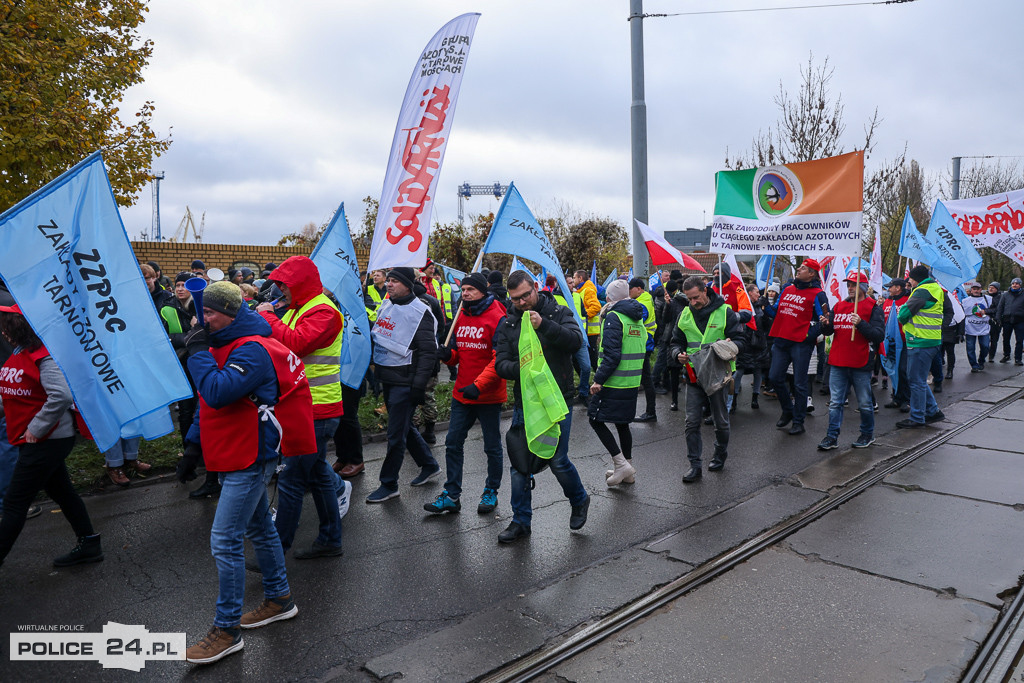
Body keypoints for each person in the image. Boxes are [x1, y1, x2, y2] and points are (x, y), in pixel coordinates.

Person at [182, 282, 314, 665]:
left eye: (210, 313)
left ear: (232, 313)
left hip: (249, 456)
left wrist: (196, 352)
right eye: (201, 311)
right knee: (260, 528)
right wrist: (193, 445)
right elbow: (209, 405)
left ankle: (227, 630)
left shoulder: (252, 349)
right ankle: (279, 598)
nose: (202, 319)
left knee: (225, 540)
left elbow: (218, 391)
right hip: (230, 451)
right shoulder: (224, 343)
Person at [256, 256, 350, 560]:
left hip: (317, 408)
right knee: (319, 476)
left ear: (298, 284)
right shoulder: (301, 309)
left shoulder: (323, 311)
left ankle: (275, 551)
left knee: (292, 479)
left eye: (284, 285)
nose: (280, 291)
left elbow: (294, 344)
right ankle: (330, 539)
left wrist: (268, 317)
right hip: (303, 406)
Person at [0, 303, 102, 570]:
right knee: (63, 492)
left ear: (17, 327)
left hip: (47, 440)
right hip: (33, 438)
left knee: (13, 503)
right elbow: (13, 392)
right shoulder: (20, 352)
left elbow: (61, 396)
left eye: (4, 326)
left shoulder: (45, 356)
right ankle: (89, 544)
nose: (2, 332)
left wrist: (37, 428)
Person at [494, 270, 589, 543]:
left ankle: (579, 499)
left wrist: (543, 326)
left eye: (525, 295)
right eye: (515, 299)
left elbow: (575, 341)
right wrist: (524, 368)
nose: (522, 303)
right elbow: (501, 364)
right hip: (527, 404)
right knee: (520, 465)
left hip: (557, 400)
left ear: (535, 288)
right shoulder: (509, 323)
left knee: (557, 460)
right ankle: (520, 521)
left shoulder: (558, 310)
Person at [424, 273, 507, 515]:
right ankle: (451, 495)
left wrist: (479, 385)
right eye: (464, 289)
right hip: (462, 394)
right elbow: (459, 353)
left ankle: (491, 491)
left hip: (488, 395)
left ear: (483, 291)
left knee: (491, 446)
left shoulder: (497, 317)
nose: (465, 293)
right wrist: (447, 355)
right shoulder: (461, 315)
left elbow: (498, 360)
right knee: (452, 443)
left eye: (471, 289)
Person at [365, 267, 441, 503]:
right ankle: (429, 465)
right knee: (404, 427)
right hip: (388, 378)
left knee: (395, 435)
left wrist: (418, 386)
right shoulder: (387, 305)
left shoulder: (421, 312)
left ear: (408, 284)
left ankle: (389, 484)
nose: (389, 284)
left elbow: (429, 352)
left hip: (406, 382)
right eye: (388, 280)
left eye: (395, 281)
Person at [669, 276, 747, 483]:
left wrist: (730, 347)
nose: (693, 302)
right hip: (694, 376)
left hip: (719, 375)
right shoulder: (684, 314)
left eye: (696, 297)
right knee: (691, 422)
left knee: (720, 422)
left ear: (705, 290)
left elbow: (741, 339)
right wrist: (678, 354)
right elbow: (675, 342)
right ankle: (695, 466)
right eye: (689, 299)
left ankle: (720, 454)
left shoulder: (725, 312)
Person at [816, 273, 885, 450]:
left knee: (864, 403)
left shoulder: (872, 307)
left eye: (854, 285)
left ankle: (867, 434)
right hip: (838, 361)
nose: (850, 288)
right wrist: (825, 324)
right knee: (835, 402)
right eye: (848, 285)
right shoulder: (839, 305)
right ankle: (831, 437)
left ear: (863, 286)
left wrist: (861, 323)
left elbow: (878, 335)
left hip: (860, 362)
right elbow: (831, 331)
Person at [588, 279, 644, 486]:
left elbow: (611, 355)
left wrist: (598, 380)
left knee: (594, 419)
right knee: (622, 424)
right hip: (631, 381)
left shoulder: (613, 317)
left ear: (609, 297)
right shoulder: (636, 317)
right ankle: (627, 471)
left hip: (614, 381)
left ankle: (621, 464)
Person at [766, 259, 829, 436]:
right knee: (775, 377)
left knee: (800, 384)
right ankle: (788, 410)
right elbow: (776, 312)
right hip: (781, 340)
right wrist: (764, 305)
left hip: (801, 344)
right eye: (799, 267)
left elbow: (824, 320)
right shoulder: (787, 289)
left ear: (812, 274)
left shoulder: (818, 294)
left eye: (802, 268)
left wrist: (808, 335)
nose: (798, 270)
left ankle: (798, 421)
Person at [895, 266, 946, 428]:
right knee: (919, 380)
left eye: (910, 278)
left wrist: (902, 315)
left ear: (915, 278)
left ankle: (917, 417)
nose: (908, 281)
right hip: (930, 340)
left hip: (920, 341)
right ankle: (932, 411)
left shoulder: (922, 290)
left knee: (916, 381)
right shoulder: (934, 288)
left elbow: (903, 314)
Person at [550, 275, 591, 404]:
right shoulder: (553, 298)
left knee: (586, 367)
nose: (572, 285)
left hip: (580, 338)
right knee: (566, 369)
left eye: (572, 282)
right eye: (569, 283)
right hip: (564, 339)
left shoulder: (577, 296)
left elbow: (583, 315)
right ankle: (567, 394)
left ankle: (583, 392)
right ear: (560, 284)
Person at [729, 283, 769, 412]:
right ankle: (733, 399)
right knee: (739, 371)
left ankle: (755, 398)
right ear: (749, 292)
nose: (759, 294)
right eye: (756, 292)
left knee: (758, 371)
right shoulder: (743, 305)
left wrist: (765, 309)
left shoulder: (761, 306)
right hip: (745, 343)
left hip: (758, 344)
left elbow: (766, 325)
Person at [628, 277, 659, 423]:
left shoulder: (643, 301)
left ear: (639, 289)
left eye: (631, 289)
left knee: (646, 379)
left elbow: (639, 316)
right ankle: (650, 411)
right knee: (645, 379)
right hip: (644, 343)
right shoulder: (644, 298)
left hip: (643, 343)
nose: (629, 292)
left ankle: (650, 412)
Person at [881, 279, 911, 412]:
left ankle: (906, 400)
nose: (888, 289)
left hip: (904, 341)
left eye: (890, 287)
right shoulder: (887, 301)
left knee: (902, 370)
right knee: (893, 368)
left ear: (898, 288)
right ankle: (896, 398)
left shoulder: (908, 300)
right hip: (890, 341)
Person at [572, 269, 603, 373]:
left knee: (593, 358)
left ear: (580, 278)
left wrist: (583, 316)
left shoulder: (588, 290)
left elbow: (596, 306)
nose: (573, 280)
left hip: (591, 331)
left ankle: (600, 379)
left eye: (574, 277)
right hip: (585, 330)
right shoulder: (580, 290)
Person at [962, 281, 992, 372]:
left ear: (981, 290)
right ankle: (974, 365)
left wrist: (986, 311)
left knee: (985, 346)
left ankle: (981, 360)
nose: (976, 291)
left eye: (977, 289)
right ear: (971, 290)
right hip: (970, 328)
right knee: (970, 348)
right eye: (974, 289)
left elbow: (995, 309)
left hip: (984, 327)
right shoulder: (965, 301)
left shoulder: (988, 299)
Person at [996, 277, 1024, 365]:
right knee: (1006, 339)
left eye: (1017, 284)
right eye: (1013, 284)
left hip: (1020, 320)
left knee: (1019, 340)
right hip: (1007, 320)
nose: (1014, 285)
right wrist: (998, 318)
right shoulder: (1005, 295)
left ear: (1020, 285)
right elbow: (1000, 307)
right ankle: (1006, 355)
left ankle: (1018, 358)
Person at [987, 281, 1002, 364]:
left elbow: (998, 309)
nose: (991, 289)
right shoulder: (985, 297)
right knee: (985, 340)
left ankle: (991, 356)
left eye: (993, 288)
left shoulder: (1000, 298)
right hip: (986, 322)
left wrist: (986, 311)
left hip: (995, 321)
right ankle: (985, 353)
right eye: (990, 287)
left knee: (994, 340)